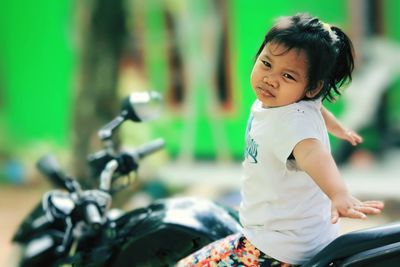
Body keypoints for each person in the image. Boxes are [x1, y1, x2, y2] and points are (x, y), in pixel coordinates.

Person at [176, 13, 384, 266]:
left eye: (288, 76)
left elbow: (312, 154)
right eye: (267, 63)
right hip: (300, 234)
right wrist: (337, 128)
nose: (270, 79)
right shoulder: (289, 101)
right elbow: (318, 108)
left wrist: (338, 194)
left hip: (276, 248)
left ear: (312, 87)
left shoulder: (291, 125)